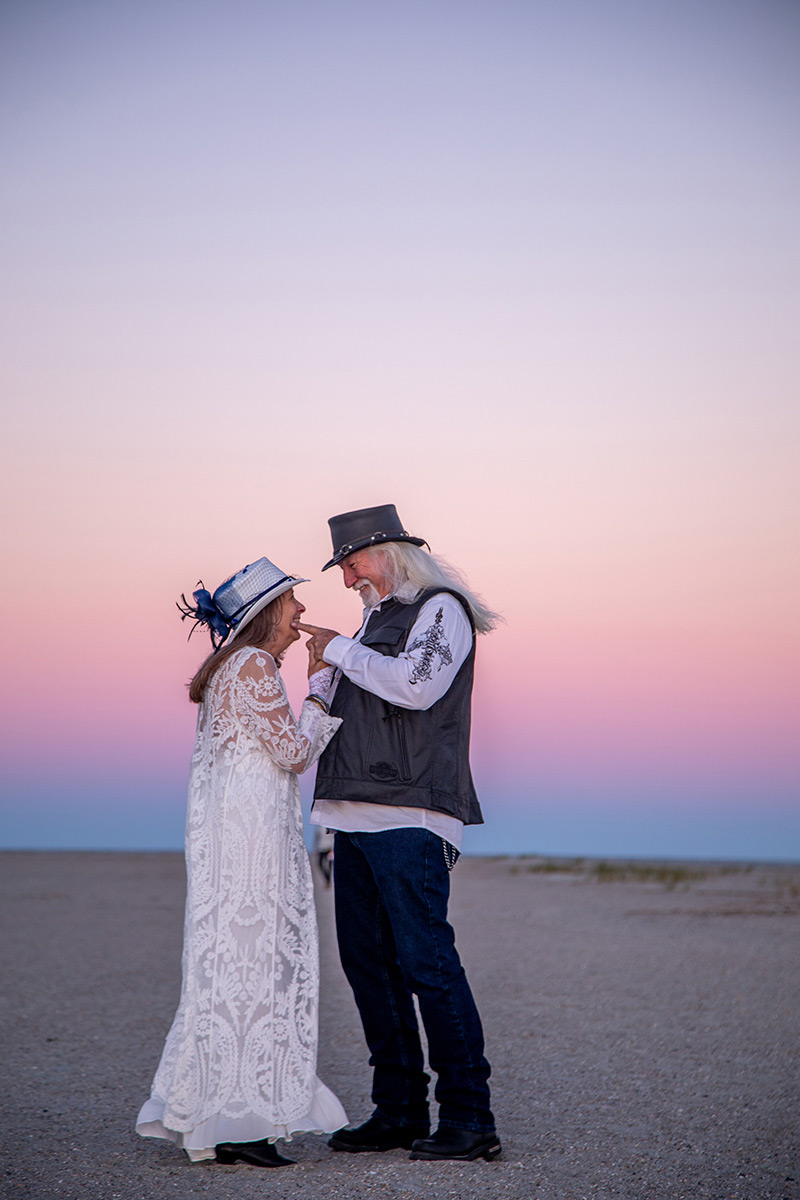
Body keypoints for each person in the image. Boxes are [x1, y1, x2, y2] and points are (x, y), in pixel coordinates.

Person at [299, 504, 502, 1163]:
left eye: (351, 562)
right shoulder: (374, 616)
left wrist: (336, 649)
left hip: (411, 817)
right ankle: (400, 1111)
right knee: (368, 966)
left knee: (426, 963)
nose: (347, 576)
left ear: (386, 552)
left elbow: (416, 687)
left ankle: (471, 1119)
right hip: (350, 818)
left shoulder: (441, 608)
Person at [136, 555, 347, 1167]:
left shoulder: (231, 667)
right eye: (292, 602)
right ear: (266, 615)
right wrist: (324, 687)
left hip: (237, 841)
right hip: (252, 847)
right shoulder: (254, 664)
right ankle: (244, 1125)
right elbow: (293, 751)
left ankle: (219, 1122)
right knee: (254, 971)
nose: (302, 611)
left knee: (232, 972)